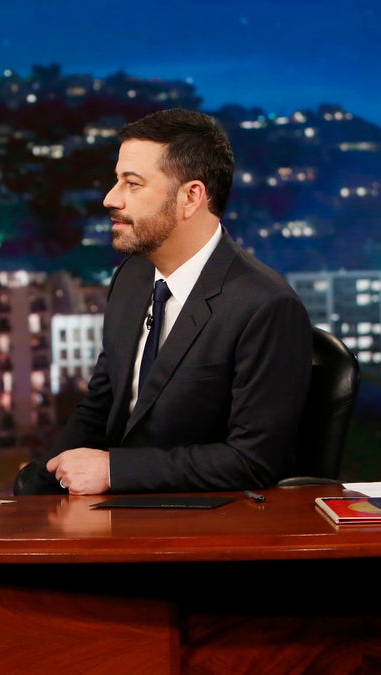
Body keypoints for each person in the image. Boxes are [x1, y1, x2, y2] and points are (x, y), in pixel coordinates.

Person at [21, 108, 312, 495]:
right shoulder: (131, 278)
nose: (111, 199)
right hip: (119, 517)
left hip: (209, 534)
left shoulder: (265, 305)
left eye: (133, 184)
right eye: (116, 181)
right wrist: (38, 485)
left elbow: (252, 461)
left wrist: (114, 471)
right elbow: (101, 407)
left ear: (191, 197)